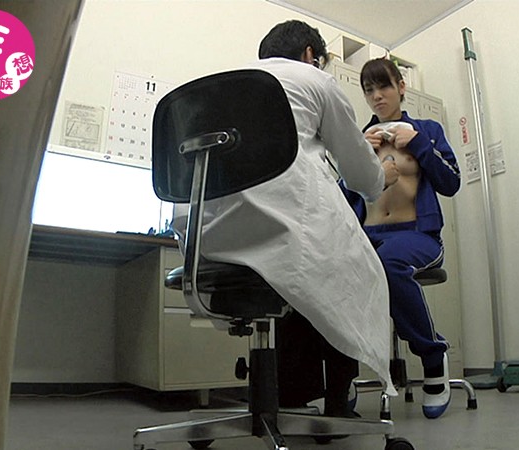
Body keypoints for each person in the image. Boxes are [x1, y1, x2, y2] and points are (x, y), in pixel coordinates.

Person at [172, 20, 397, 416]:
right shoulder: (314, 80)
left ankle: (290, 393)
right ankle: (338, 398)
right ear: (311, 55)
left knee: (305, 267)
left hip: (209, 244)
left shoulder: (220, 87)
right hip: (284, 235)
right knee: (352, 271)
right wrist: (383, 177)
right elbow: (362, 177)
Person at [340, 58, 461, 419]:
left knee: (388, 262)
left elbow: (451, 182)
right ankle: (342, 374)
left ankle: (432, 356)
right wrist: (359, 162)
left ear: (401, 87)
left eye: (384, 87)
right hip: (369, 236)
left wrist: (419, 144)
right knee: (331, 269)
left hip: (417, 237)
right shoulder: (360, 140)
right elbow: (340, 201)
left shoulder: (427, 130)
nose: (377, 96)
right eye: (369, 90)